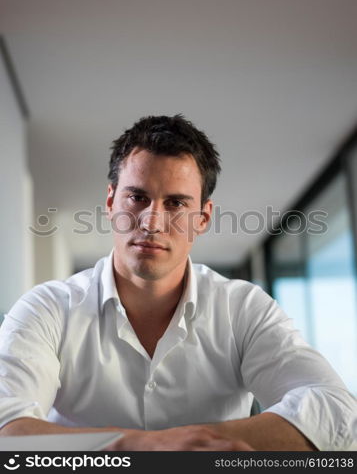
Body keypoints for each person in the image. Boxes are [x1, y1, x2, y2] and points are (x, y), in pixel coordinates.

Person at [0, 115, 356, 451]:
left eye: (175, 203)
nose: (152, 222)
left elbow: (338, 412)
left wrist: (184, 443)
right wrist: (145, 445)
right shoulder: (48, 308)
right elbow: (6, 428)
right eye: (137, 198)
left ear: (202, 218)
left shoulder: (242, 308)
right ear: (110, 201)